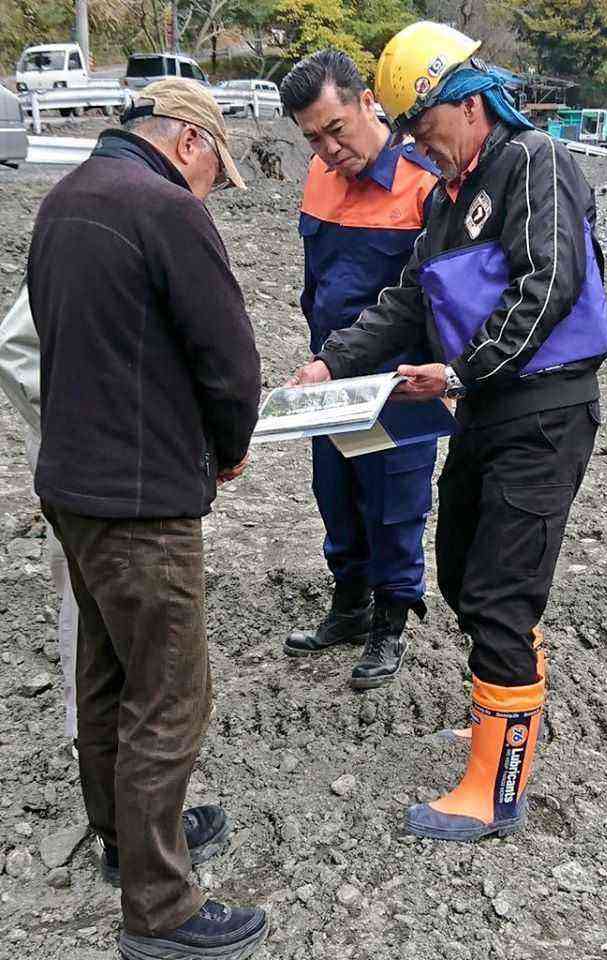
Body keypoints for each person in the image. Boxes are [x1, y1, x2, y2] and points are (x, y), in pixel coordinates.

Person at [288, 21, 607, 841]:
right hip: (483, 412)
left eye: (424, 126)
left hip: (542, 414)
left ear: (464, 102)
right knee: (462, 570)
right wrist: (332, 362)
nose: (419, 147)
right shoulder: (444, 196)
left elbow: (548, 283)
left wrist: (463, 372)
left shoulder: (534, 160)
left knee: (501, 596)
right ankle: (495, 722)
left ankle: (495, 791)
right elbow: (404, 299)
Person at [27, 79, 269, 959]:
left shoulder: (66, 198)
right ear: (191, 144)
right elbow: (229, 357)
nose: (208, 191)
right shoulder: (163, 206)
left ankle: (127, 845)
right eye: (214, 175)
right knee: (169, 697)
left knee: (104, 677)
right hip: (141, 503)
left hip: (73, 486)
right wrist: (229, 444)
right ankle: (160, 913)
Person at [279, 50, 439, 689]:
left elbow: (427, 301)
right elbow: (317, 281)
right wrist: (321, 357)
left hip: (396, 389)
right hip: (331, 380)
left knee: (394, 506)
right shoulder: (318, 177)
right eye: (312, 136)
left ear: (367, 100)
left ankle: (390, 623)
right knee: (336, 496)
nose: (326, 148)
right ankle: (349, 607)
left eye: (335, 128)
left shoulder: (422, 184)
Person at [0, 285, 79, 753]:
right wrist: (76, 431)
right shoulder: (91, 224)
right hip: (87, 456)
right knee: (86, 596)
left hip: (116, 455)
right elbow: (14, 348)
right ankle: (90, 736)